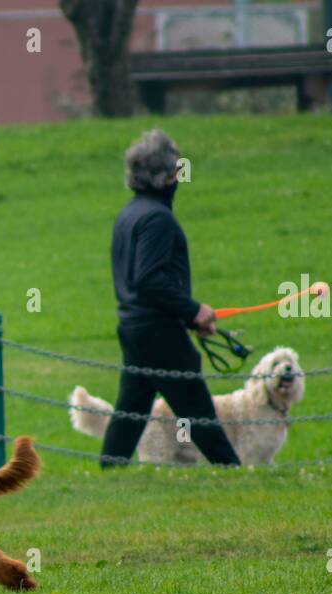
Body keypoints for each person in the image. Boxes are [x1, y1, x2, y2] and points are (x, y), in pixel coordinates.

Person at [99, 129, 240, 468]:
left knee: (131, 406)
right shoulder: (158, 218)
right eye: (176, 170)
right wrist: (193, 309)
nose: (179, 176)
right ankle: (232, 471)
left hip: (133, 327)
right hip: (157, 331)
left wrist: (189, 317)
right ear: (165, 177)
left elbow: (141, 280)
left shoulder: (129, 214)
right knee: (195, 406)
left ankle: (109, 469)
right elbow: (149, 280)